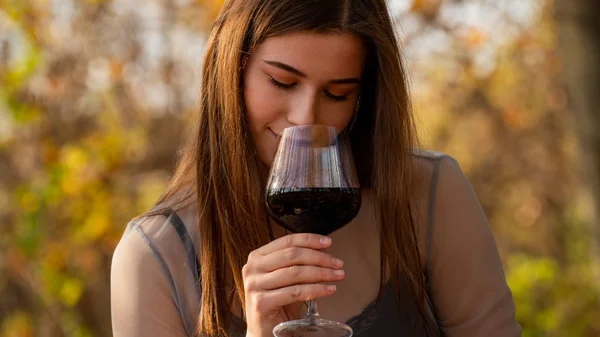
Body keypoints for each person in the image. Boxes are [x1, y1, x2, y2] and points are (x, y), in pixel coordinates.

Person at [110, 0, 522, 336]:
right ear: (230, 72)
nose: (306, 118)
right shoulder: (155, 254)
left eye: (337, 93)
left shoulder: (429, 192)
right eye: (282, 83)